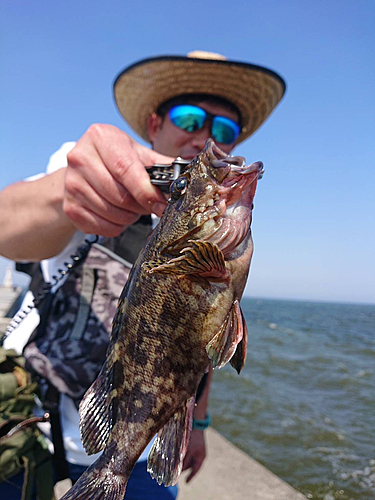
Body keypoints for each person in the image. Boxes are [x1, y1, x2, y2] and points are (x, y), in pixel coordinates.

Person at [0, 51, 286, 499]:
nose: (206, 137)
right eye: (190, 118)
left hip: (141, 449)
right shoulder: (85, 168)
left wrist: (198, 424)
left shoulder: (217, 246)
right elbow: (5, 228)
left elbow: (203, 340)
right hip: (35, 422)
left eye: (225, 130)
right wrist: (64, 194)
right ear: (154, 125)